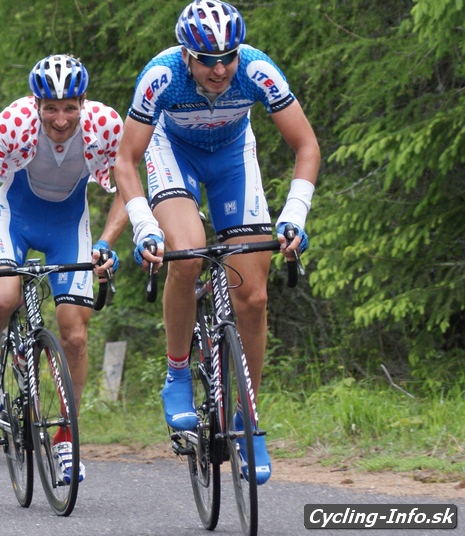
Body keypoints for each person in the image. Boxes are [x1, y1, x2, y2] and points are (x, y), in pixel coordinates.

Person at [113, 0, 320, 485]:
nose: (220, 69)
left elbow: (306, 146)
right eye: (207, 60)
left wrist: (294, 214)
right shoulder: (161, 75)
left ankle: (247, 418)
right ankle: (177, 373)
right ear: (187, 55)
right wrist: (144, 225)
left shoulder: (257, 70)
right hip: (173, 153)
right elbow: (126, 160)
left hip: (232, 158)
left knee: (255, 296)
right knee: (186, 255)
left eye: (228, 57)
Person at [0, 54, 127, 484]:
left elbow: (129, 189)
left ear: (83, 102)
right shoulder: (14, 121)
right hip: (14, 219)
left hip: (68, 226)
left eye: (70, 107)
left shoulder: (105, 125)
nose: (60, 119)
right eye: (50, 108)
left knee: (74, 334)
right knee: (3, 297)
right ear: (36, 104)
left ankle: (67, 439)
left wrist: (106, 241)